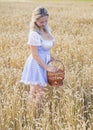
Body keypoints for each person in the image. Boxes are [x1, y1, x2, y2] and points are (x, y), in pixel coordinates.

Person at [20, 7, 57, 105]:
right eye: (41, 22)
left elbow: (46, 47)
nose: (44, 24)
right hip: (37, 63)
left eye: (46, 21)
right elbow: (35, 54)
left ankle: (34, 113)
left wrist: (51, 56)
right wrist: (47, 67)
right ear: (35, 21)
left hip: (45, 61)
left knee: (38, 91)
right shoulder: (34, 34)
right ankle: (34, 113)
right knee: (39, 91)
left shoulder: (47, 29)